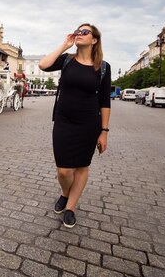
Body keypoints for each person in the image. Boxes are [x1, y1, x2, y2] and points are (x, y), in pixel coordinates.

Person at [38, 23, 111, 228]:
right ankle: (64, 192)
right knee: (63, 170)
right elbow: (43, 65)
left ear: (94, 40)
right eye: (78, 31)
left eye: (84, 32)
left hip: (89, 124)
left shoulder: (103, 67)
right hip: (64, 121)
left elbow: (105, 101)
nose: (79, 34)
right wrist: (64, 45)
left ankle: (70, 206)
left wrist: (104, 132)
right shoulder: (67, 60)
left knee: (81, 166)